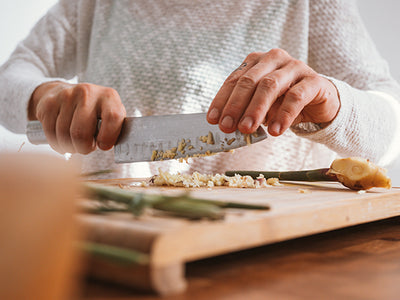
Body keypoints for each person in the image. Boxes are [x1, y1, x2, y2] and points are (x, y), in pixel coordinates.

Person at [1, 0, 399, 178]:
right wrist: (43, 96)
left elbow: (392, 132)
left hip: (265, 255)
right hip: (113, 240)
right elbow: (9, 79)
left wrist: (333, 103)